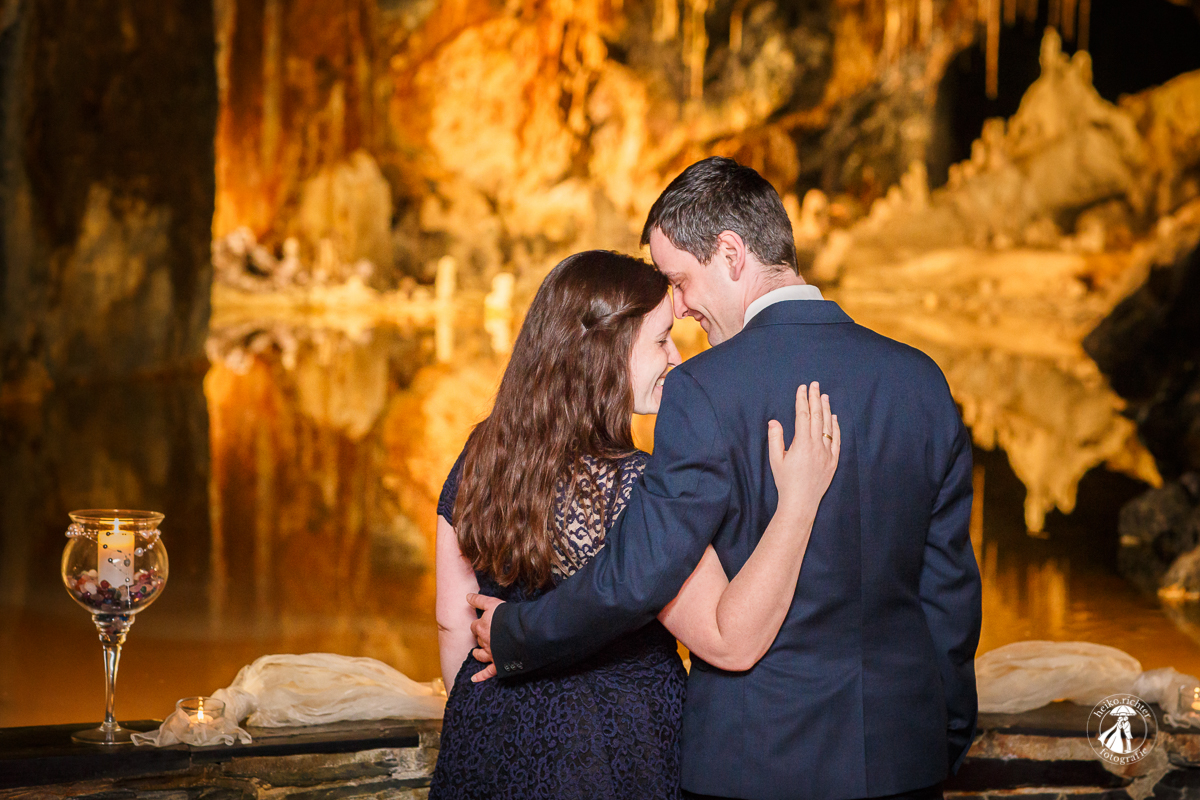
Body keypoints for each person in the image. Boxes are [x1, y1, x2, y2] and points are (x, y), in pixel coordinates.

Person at [469, 157, 983, 800]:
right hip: (903, 755)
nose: (679, 308)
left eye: (680, 281)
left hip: (754, 763)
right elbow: (950, 593)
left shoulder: (703, 392)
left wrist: (519, 634)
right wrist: (946, 734)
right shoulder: (922, 382)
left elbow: (637, 575)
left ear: (733, 254)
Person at [431, 249, 841, 799]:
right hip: (615, 752)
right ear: (607, 351)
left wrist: (479, 723)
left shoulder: (479, 455)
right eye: (661, 339)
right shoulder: (640, 489)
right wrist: (798, 501)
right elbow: (730, 638)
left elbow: (452, 622)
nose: (674, 357)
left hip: (483, 741)